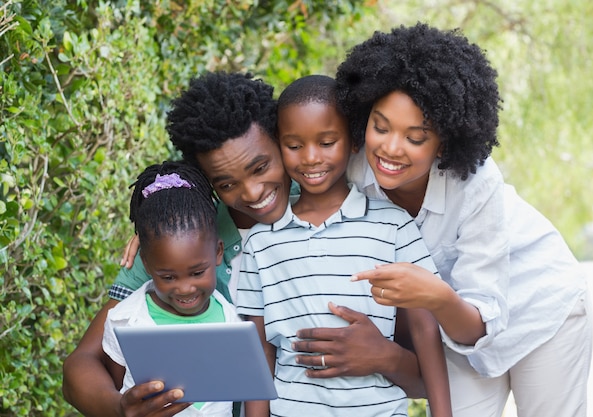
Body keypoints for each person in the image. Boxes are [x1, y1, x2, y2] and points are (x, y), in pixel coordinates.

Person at [63, 72, 426, 417]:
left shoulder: (349, 224)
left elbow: (425, 374)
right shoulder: (179, 246)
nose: (252, 193)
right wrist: (119, 408)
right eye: (226, 183)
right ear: (208, 184)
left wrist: (386, 358)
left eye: (260, 166)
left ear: (285, 142)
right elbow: (82, 364)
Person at [327, 22, 592, 417]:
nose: (390, 148)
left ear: (444, 143)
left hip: (539, 311)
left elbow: (479, 318)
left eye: (415, 137)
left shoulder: (476, 184)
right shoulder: (350, 170)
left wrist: (435, 295)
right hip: (454, 333)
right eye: (380, 127)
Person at [237, 75, 452, 417]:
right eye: (294, 146)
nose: (310, 158)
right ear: (278, 145)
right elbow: (260, 352)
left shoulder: (394, 225)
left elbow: (426, 328)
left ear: (353, 141)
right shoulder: (261, 242)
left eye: (326, 142)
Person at [102, 161, 239, 417]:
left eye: (197, 273)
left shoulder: (230, 318)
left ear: (218, 253)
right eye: (168, 277)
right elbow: (117, 388)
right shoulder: (123, 320)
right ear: (146, 264)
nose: (185, 289)